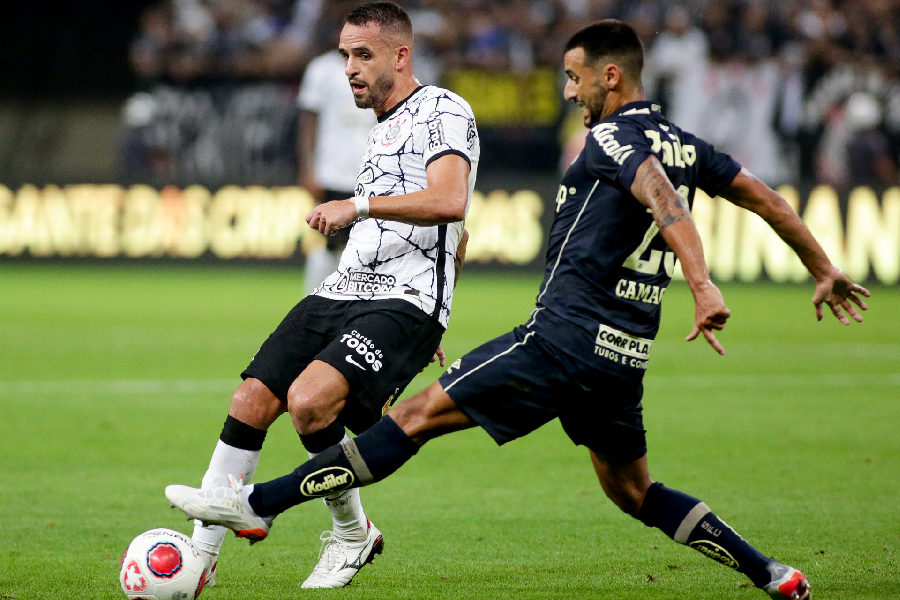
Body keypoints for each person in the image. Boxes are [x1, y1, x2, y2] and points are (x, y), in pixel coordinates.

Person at [168, 20, 870, 599]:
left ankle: (257, 504)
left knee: (410, 420)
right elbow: (767, 198)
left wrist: (703, 280)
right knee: (635, 492)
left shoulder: (615, 138)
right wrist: (823, 266)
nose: (569, 92)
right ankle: (770, 572)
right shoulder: (686, 143)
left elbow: (661, 195)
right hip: (621, 359)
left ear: (611, 77)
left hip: (558, 341)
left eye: (574, 78)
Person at [183, 1, 479, 590]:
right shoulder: (382, 129)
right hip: (343, 286)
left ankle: (347, 534)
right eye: (346, 54)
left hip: (402, 299)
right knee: (250, 400)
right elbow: (458, 236)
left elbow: (451, 202)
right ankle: (200, 560)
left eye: (363, 55)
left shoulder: (443, 108)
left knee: (310, 401)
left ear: (401, 54)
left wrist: (430, 314)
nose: (350, 67)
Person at [297, 19, 377, 295]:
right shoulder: (322, 69)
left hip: (369, 172)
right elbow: (308, 122)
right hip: (331, 169)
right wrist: (308, 168)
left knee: (367, 244)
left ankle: (350, 302)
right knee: (330, 242)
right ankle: (313, 300)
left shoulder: (375, 68)